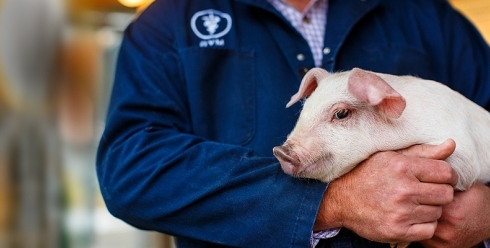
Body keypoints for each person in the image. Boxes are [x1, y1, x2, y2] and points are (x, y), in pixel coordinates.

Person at [96, 0, 490, 247]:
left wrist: (487, 216)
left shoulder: (429, 17)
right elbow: (131, 169)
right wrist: (331, 203)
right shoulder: (168, 23)